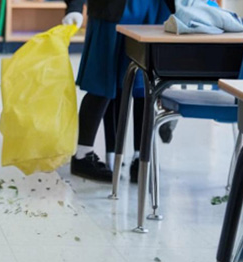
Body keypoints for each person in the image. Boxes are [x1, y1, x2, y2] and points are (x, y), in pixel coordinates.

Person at [63, 0, 176, 182]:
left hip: (153, 9)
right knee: (103, 80)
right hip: (112, 10)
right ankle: (83, 155)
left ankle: (141, 158)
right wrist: (75, 7)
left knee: (145, 84)